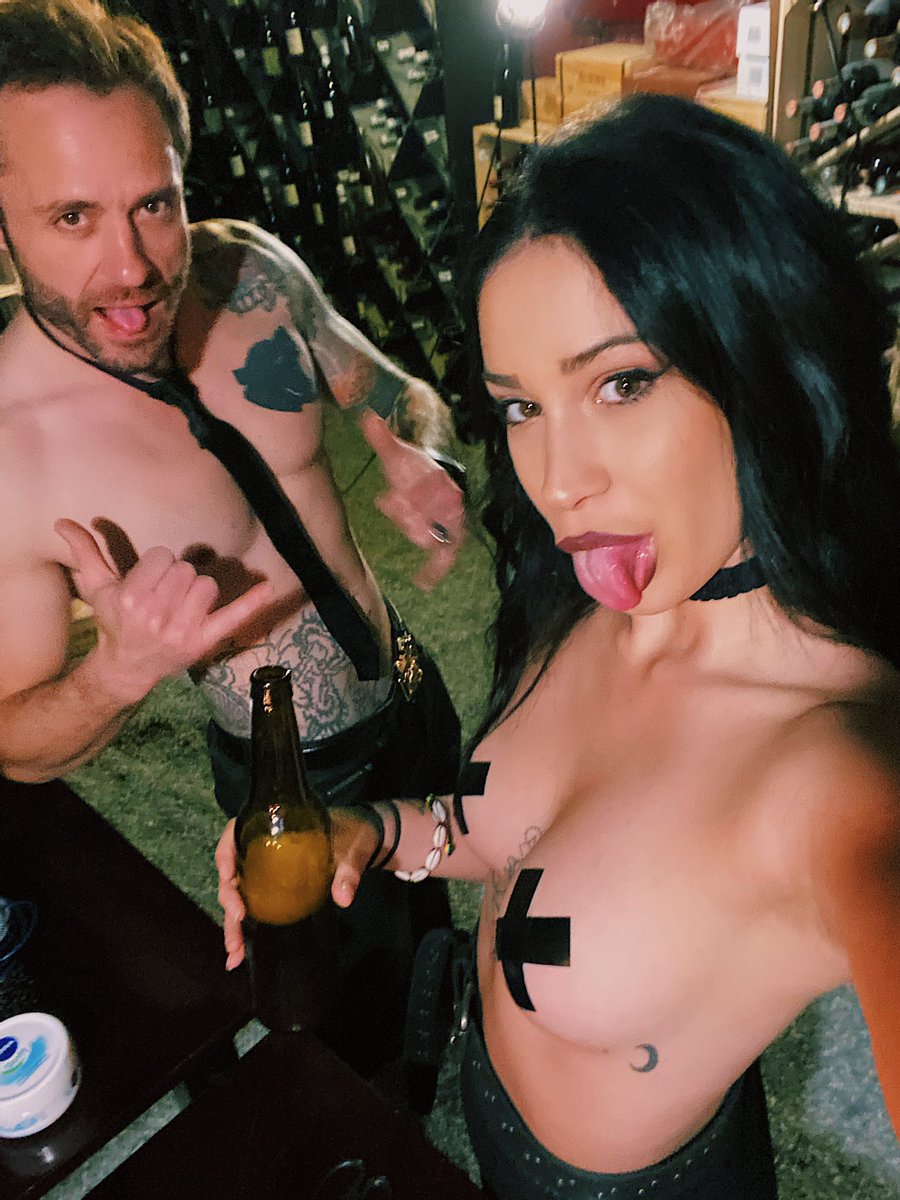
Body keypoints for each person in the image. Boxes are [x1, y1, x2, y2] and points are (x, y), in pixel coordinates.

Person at [219, 93, 900, 1198]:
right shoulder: (589, 604)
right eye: (522, 408)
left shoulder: (840, 771)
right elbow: (503, 839)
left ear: (765, 356)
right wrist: (374, 833)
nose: (558, 484)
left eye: (622, 383)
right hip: (487, 1118)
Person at [0, 0, 466, 1082]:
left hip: (403, 668)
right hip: (288, 773)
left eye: (152, 204)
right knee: (341, 1022)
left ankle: (440, 1002)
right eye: (73, 217)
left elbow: (392, 392)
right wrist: (117, 673)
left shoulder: (249, 271)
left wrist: (417, 452)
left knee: (433, 877)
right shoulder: (14, 451)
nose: (131, 266)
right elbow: (13, 741)